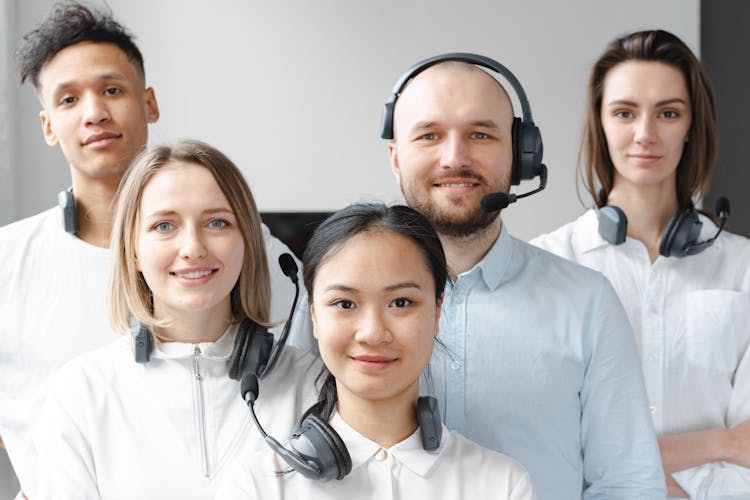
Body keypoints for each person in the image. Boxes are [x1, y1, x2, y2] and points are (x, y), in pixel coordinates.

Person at [0, 3, 299, 495]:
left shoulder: (249, 254)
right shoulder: (9, 262)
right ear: (48, 126)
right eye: (69, 99)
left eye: (112, 90)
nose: (95, 112)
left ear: (149, 103)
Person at [378, 55, 665, 499]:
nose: (455, 158)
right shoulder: (337, 303)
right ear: (396, 159)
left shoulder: (586, 303)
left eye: (480, 134)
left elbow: (629, 485)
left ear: (521, 154)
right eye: (430, 135)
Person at [32, 140, 319, 499]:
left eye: (217, 222)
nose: (193, 248)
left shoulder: (309, 384)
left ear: (245, 240)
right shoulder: (82, 393)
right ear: (133, 250)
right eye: (164, 226)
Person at [532, 29, 750, 499]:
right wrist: (719, 443)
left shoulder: (745, 268)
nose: (645, 134)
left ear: (692, 125)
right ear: (601, 122)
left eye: (668, 113)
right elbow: (551, 449)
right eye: (625, 112)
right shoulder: (548, 263)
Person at [217, 203, 536, 499]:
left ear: (437, 311)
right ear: (313, 315)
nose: (372, 333)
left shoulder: (501, 485)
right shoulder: (258, 485)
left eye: (401, 303)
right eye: (345, 304)